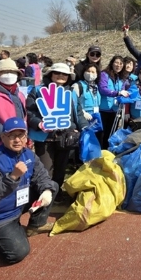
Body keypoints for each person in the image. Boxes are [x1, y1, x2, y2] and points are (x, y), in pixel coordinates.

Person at [0, 118, 58, 264]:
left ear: (26, 137)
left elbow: (41, 176)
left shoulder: (29, 155)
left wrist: (47, 190)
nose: (17, 140)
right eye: (12, 135)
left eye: (21, 135)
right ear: (3, 137)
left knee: (52, 186)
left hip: (16, 204)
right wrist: (13, 177)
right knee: (18, 253)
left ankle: (35, 225)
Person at [26, 63, 89, 198]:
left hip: (66, 136)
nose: (61, 76)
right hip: (44, 136)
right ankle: (43, 193)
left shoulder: (71, 93)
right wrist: (39, 123)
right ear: (50, 74)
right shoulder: (38, 90)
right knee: (45, 167)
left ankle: (56, 191)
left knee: (61, 168)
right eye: (57, 73)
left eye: (64, 74)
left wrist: (84, 127)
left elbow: (78, 112)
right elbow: (30, 112)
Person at [98, 56, 133, 145]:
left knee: (111, 133)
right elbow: (102, 89)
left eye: (121, 63)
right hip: (103, 109)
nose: (118, 65)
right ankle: (100, 150)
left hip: (115, 110)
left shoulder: (121, 78)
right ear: (112, 63)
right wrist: (117, 93)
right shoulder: (104, 74)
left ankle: (107, 150)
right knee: (102, 133)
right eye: (116, 63)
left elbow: (123, 90)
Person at [72, 63, 102, 143]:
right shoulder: (78, 86)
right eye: (88, 71)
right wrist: (83, 113)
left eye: (93, 72)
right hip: (83, 119)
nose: (90, 74)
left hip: (95, 119)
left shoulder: (96, 86)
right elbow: (73, 103)